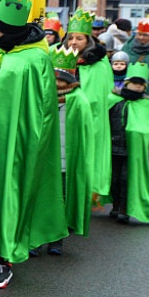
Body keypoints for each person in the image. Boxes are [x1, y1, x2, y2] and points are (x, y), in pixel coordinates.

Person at [0, 0, 66, 288]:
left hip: (17, 143)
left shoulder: (36, 58)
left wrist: (33, 146)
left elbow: (44, 110)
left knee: (10, 197)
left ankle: (6, 257)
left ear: (10, 29)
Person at [34, 46, 97, 256]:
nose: (57, 83)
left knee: (59, 201)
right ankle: (35, 239)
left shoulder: (78, 100)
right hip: (44, 162)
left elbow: (85, 133)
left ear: (69, 81)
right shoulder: (41, 98)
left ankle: (57, 239)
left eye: (61, 79)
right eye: (54, 78)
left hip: (64, 163)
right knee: (39, 199)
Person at [63, 10, 114, 199]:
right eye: (71, 38)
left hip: (91, 118)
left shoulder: (99, 64)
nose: (73, 42)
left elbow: (103, 93)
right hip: (65, 115)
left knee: (87, 156)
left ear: (88, 41)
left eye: (79, 39)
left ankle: (85, 194)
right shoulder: (62, 59)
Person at [107, 62, 149, 224]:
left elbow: (146, 126)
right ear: (127, 83)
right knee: (113, 178)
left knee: (125, 178)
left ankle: (124, 208)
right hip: (113, 146)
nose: (137, 87)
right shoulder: (114, 99)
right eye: (134, 83)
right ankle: (115, 204)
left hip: (131, 149)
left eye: (140, 84)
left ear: (144, 87)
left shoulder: (146, 104)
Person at [120, 18, 149, 105]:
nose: (141, 37)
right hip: (129, 90)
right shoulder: (127, 47)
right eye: (139, 34)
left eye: (145, 35)